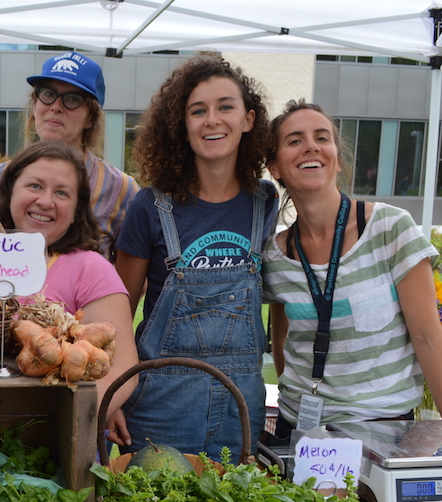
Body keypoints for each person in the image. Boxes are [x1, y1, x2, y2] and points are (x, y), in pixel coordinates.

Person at [262, 100, 442, 438]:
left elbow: (428, 337)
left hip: (382, 431)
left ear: (337, 160)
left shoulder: (390, 228)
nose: (310, 146)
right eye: (295, 140)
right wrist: (293, 393)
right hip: (300, 430)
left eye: (322, 138)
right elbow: (282, 326)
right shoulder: (275, 253)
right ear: (275, 168)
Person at [113, 55, 278, 461]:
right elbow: (117, 313)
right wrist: (112, 395)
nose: (212, 120)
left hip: (242, 406)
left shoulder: (265, 202)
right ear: (181, 126)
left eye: (226, 107)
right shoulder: (149, 206)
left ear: (249, 119)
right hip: (159, 405)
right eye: (197, 111)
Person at [0, 140, 139, 431]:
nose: (46, 201)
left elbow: (122, 368)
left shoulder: (91, 268)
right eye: (35, 186)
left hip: (54, 443)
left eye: (62, 192)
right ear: (10, 191)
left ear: (78, 210)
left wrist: (70, 426)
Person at [0, 52, 139, 260]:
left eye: (73, 99)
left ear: (91, 118)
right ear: (35, 105)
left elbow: (128, 280)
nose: (56, 107)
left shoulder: (120, 187)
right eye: (48, 94)